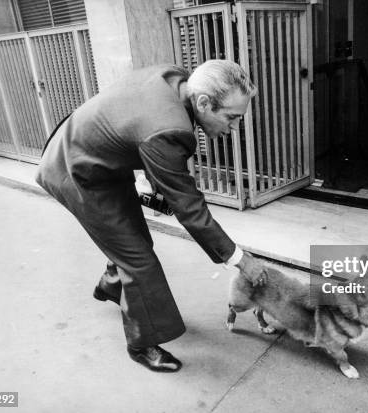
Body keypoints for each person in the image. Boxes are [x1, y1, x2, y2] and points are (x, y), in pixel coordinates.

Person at [35, 59, 268, 373]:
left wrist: (158, 184)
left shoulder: (176, 80)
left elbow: (143, 132)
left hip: (98, 157)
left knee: (136, 239)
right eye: (231, 117)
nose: (233, 128)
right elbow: (191, 209)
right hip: (76, 171)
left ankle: (111, 285)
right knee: (139, 260)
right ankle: (141, 344)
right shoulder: (170, 129)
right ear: (203, 102)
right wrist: (239, 258)